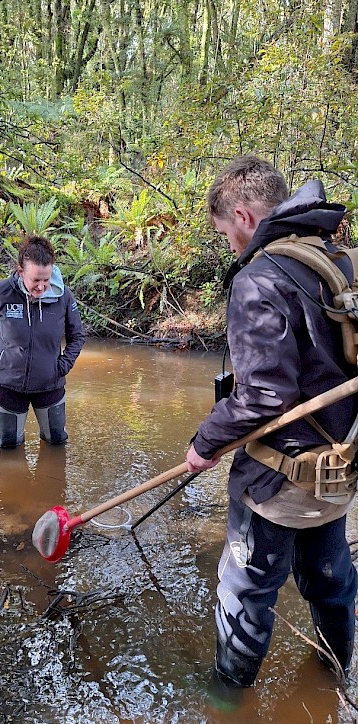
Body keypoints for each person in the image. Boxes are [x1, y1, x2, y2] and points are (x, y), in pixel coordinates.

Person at [186, 155, 358, 688]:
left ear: (241, 215)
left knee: (246, 590)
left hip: (277, 481)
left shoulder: (260, 280)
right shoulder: (340, 259)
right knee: (331, 581)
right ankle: (334, 677)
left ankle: (226, 705)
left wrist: (204, 444)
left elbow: (261, 396)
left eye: (224, 236)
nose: (230, 248)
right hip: (340, 474)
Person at [0, 234, 85, 448]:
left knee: (56, 441)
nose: (42, 287)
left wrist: (63, 365)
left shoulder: (63, 297)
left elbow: (77, 335)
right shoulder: (0, 293)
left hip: (49, 383)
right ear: (21, 271)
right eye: (36, 280)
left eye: (47, 279)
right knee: (8, 445)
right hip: (9, 384)